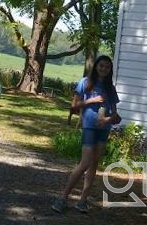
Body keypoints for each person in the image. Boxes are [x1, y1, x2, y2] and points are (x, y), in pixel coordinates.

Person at [52, 55, 120, 214]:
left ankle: (83, 200)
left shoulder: (111, 88)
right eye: (101, 66)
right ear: (96, 66)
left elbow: (116, 115)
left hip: (104, 130)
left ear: (110, 70)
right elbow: (74, 106)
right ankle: (63, 198)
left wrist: (109, 119)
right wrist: (93, 100)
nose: (104, 69)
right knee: (85, 162)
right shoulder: (85, 82)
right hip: (89, 126)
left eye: (107, 67)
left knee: (94, 164)